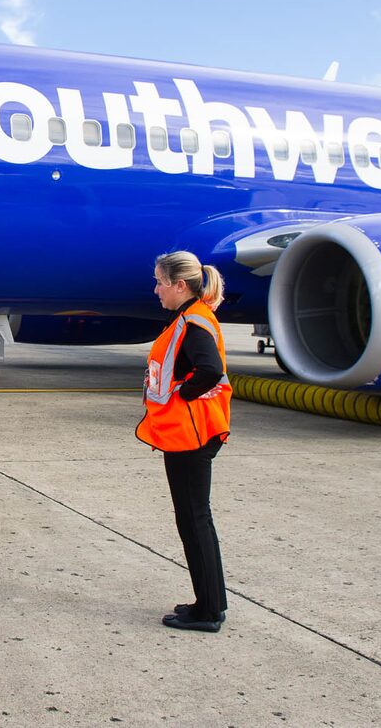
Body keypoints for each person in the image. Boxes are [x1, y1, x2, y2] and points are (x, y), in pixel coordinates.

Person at [137, 250, 232, 633]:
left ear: (180, 285)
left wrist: (184, 395)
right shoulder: (189, 317)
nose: (156, 289)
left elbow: (210, 370)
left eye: (161, 281)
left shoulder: (193, 322)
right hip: (189, 433)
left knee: (194, 520)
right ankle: (209, 601)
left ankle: (208, 611)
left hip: (191, 434)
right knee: (194, 519)